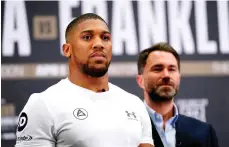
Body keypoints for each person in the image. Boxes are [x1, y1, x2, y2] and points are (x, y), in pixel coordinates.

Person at [15, 13, 154, 147]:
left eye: (105, 38)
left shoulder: (134, 104)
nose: (99, 44)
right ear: (67, 49)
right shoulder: (43, 104)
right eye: (87, 37)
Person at [136, 42, 219, 147]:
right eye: (158, 69)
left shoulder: (204, 133)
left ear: (179, 78)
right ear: (140, 80)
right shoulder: (128, 128)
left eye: (172, 69)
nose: (166, 75)